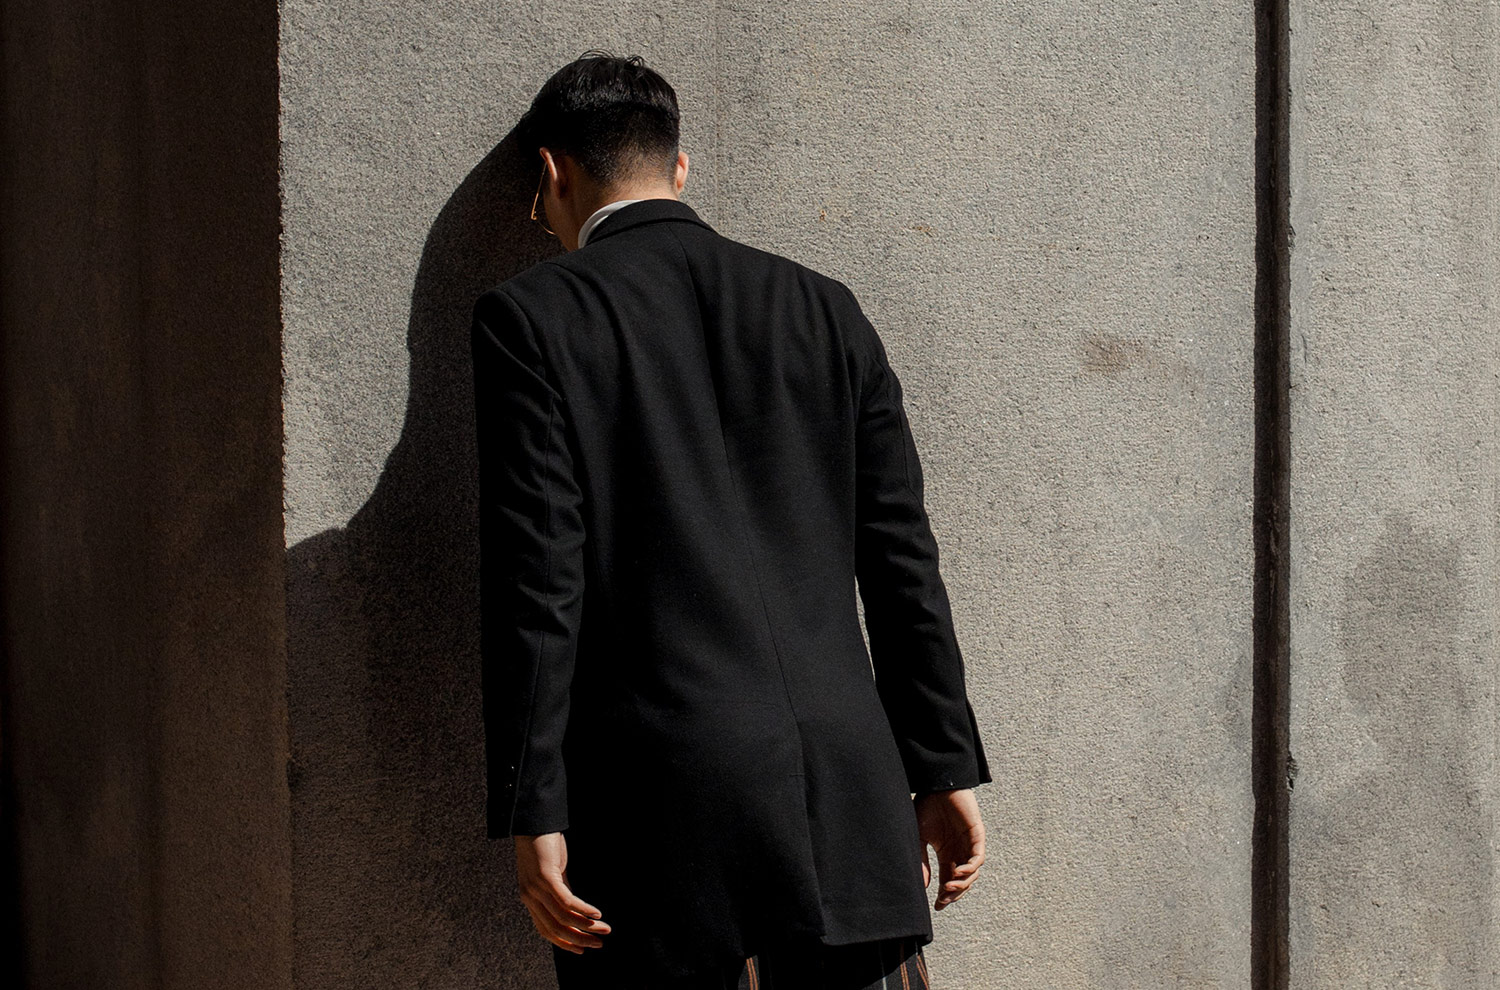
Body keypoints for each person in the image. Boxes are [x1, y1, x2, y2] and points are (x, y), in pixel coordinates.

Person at [469, 50, 992, 990]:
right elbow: (902, 558)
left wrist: (534, 808)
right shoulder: (824, 309)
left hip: (665, 830)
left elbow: (539, 583)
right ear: (680, 168)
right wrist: (941, 763)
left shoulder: (533, 321)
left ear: (552, 175)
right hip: (851, 810)